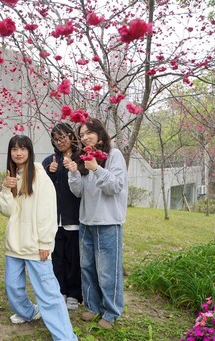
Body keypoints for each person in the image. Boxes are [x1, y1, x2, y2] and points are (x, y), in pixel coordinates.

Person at [0, 135, 78, 341]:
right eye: (14, 149)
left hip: (36, 245)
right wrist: (7, 189)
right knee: (13, 287)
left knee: (48, 294)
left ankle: (66, 337)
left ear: (29, 151)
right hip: (15, 244)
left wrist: (45, 242)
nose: (18, 153)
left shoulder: (39, 175)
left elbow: (47, 211)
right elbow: (7, 211)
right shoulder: (12, 175)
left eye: (22, 148)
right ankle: (28, 312)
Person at [64, 118, 128, 330]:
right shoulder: (85, 158)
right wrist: (74, 172)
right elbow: (79, 192)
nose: (84, 138)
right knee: (88, 267)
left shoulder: (114, 155)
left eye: (88, 133)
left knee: (108, 271)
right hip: (87, 222)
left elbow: (116, 186)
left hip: (108, 222)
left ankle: (111, 312)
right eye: (81, 135)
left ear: (100, 134)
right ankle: (92, 306)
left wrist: (96, 169)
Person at [42, 123, 83, 311]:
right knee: (56, 258)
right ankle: (61, 291)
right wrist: (50, 173)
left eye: (63, 137)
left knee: (73, 259)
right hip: (54, 220)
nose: (60, 142)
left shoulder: (81, 159)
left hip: (74, 218)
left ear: (71, 136)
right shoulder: (50, 161)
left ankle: (75, 294)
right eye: (56, 139)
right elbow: (42, 189)